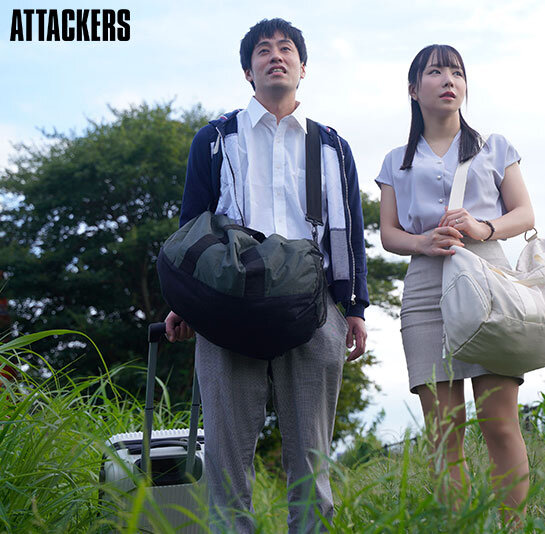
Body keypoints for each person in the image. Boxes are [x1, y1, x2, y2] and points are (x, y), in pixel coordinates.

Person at [164, 18, 369, 534]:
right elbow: (193, 225)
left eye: (286, 48)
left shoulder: (332, 146)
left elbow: (351, 230)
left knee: (313, 459)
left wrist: (355, 306)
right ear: (247, 71)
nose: (276, 55)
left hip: (313, 303)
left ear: (303, 67)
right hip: (227, 303)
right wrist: (185, 303)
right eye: (262, 50)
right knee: (225, 461)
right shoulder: (215, 139)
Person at [376, 44, 535, 518]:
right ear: (413, 89)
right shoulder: (395, 161)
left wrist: (482, 227)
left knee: (499, 422)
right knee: (444, 432)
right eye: (436, 72)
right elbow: (389, 234)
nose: (449, 80)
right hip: (425, 289)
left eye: (457, 73)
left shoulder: (494, 147)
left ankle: (513, 528)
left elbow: (524, 213)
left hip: (489, 279)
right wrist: (423, 242)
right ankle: (459, 527)